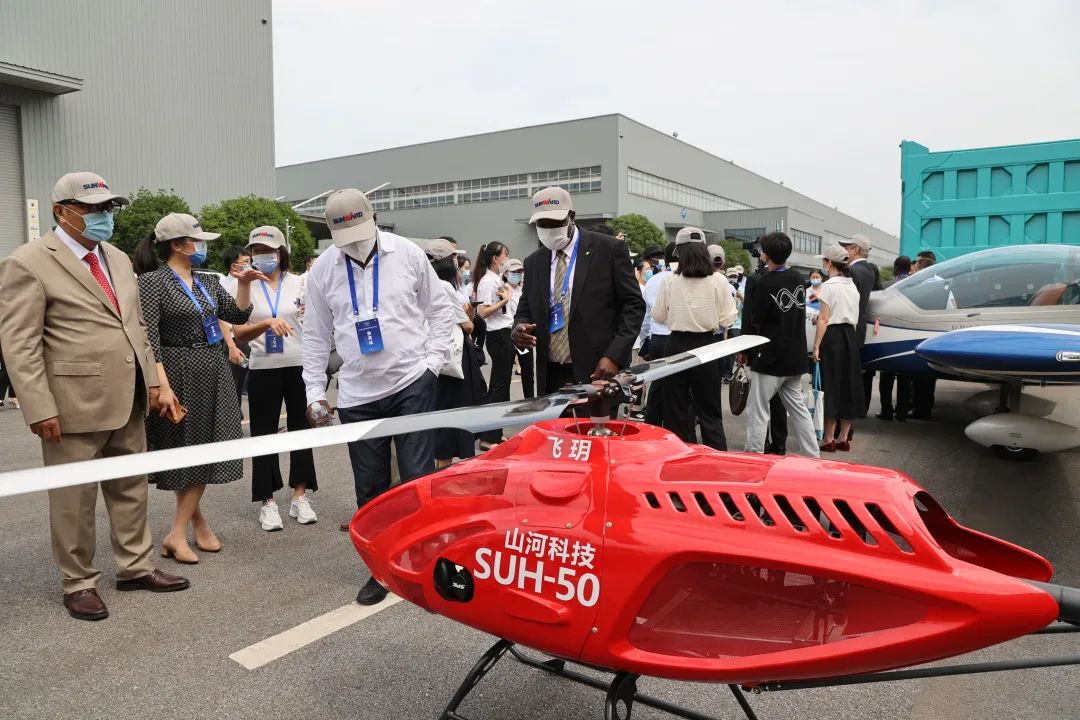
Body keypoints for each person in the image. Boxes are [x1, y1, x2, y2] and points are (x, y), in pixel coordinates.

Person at [0, 172, 189, 621]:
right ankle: (79, 581)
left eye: (108, 208)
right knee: (74, 499)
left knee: (130, 489)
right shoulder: (27, 262)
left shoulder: (118, 259)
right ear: (60, 212)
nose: (104, 216)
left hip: (129, 397)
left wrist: (156, 383)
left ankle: (136, 566)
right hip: (71, 404)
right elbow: (19, 343)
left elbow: (136, 327)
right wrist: (38, 405)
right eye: (92, 209)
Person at [302, 188, 454, 606]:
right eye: (344, 235)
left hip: (410, 382)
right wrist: (315, 391)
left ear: (373, 218)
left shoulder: (407, 254)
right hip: (357, 394)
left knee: (417, 479)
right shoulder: (324, 271)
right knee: (369, 491)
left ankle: (424, 562)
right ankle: (381, 570)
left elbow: (440, 309)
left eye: (359, 231)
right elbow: (315, 334)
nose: (354, 242)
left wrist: (432, 364)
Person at [134, 212, 260, 564]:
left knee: (206, 448)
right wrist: (161, 384)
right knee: (185, 449)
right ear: (177, 245)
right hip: (176, 369)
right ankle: (183, 531)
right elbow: (150, 336)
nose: (201, 246)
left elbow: (236, 317)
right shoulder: (153, 282)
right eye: (196, 240)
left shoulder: (206, 279)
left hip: (213, 368)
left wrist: (246, 283)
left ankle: (184, 529)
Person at [512, 187, 644, 397]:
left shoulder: (608, 250)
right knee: (555, 431)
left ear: (572, 216)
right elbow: (524, 308)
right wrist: (519, 327)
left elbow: (633, 306)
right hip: (551, 374)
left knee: (595, 430)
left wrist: (615, 355)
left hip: (598, 370)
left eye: (555, 223)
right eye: (542, 224)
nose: (548, 229)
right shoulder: (534, 262)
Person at [228, 226, 318, 531]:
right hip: (263, 367)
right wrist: (266, 322)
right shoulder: (247, 285)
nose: (262, 256)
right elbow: (238, 330)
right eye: (256, 251)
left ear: (281, 252)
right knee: (264, 434)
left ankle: (299, 496)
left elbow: (316, 321)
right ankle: (267, 501)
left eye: (268, 250)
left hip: (299, 366)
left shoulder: (301, 283)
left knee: (301, 430)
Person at [651, 228, 736, 449]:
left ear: (678, 252)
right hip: (707, 346)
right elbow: (728, 319)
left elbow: (658, 316)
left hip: (676, 345)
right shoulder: (719, 280)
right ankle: (717, 460)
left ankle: (680, 458)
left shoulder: (670, 281)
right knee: (710, 410)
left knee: (676, 410)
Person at [739, 233, 819, 458]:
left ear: (765, 255)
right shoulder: (798, 278)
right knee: (799, 411)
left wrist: (746, 351)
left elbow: (756, 319)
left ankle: (754, 457)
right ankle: (813, 456)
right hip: (795, 356)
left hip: (770, 357)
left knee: (758, 410)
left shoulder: (764, 283)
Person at [427, 238, 484, 468]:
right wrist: (468, 315)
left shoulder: (424, 284)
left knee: (440, 416)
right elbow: (468, 327)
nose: (458, 262)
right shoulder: (445, 287)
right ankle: (445, 472)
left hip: (434, 359)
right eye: (454, 258)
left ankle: (441, 469)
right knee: (453, 418)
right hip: (454, 361)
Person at [812, 245, 864, 452]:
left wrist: (816, 346)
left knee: (831, 384)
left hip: (832, 337)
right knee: (848, 384)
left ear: (830, 263)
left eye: (824, 261)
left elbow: (824, 318)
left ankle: (828, 438)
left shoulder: (829, 286)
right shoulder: (852, 285)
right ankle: (844, 437)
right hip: (850, 335)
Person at [742, 255, 788, 454]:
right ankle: (779, 441)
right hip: (784, 344)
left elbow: (749, 316)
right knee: (778, 398)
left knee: (759, 401)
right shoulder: (792, 278)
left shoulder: (756, 279)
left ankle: (758, 446)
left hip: (760, 344)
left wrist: (744, 348)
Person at [473, 241, 513, 449]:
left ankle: (496, 433)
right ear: (495, 258)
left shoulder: (497, 279)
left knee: (503, 385)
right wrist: (504, 301)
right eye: (505, 255)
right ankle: (488, 437)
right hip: (497, 335)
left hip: (505, 333)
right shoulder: (488, 281)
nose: (507, 259)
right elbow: (482, 312)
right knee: (498, 386)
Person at [839, 234, 881, 415]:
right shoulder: (869, 270)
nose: (845, 252)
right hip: (858, 328)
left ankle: (843, 417)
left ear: (855, 249)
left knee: (842, 378)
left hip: (845, 328)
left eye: (847, 248)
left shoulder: (852, 271)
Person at [641, 242, 677, 424]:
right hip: (678, 337)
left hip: (657, 338)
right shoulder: (683, 277)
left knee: (657, 385)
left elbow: (646, 315)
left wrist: (644, 339)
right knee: (678, 388)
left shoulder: (653, 280)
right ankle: (674, 428)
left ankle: (652, 426)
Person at [876, 256, 912, 421]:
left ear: (896, 268)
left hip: (888, 337)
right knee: (905, 379)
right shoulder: (917, 286)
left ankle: (886, 410)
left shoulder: (886, 286)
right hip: (908, 337)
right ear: (909, 268)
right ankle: (902, 412)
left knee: (886, 378)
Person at [219, 245, 252, 407]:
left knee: (244, 383)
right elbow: (220, 320)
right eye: (246, 261)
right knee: (233, 384)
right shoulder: (223, 286)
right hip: (234, 342)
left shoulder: (250, 281)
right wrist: (231, 346)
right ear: (234, 266)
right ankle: (233, 420)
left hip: (248, 340)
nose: (250, 264)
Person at [504, 258, 534, 399]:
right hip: (507, 334)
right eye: (514, 272)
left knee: (527, 370)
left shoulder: (523, 290)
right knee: (504, 374)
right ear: (505, 273)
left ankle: (529, 399)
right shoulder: (502, 289)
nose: (518, 275)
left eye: (520, 272)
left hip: (522, 336)